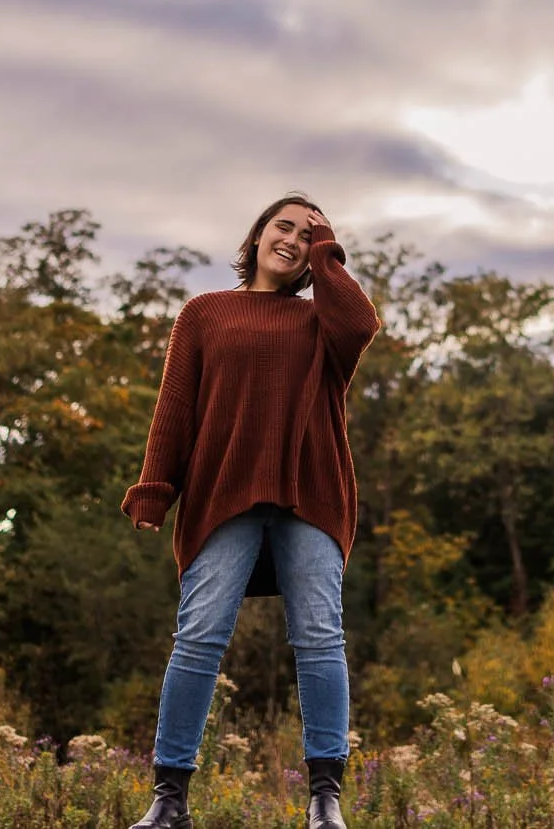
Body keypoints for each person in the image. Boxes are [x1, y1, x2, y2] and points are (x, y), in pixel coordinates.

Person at [120, 192, 381, 829]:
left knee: (319, 638)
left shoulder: (322, 322)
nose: (292, 240)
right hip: (223, 491)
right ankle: (169, 800)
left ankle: (325, 800)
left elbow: (361, 323)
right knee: (198, 638)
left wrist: (327, 255)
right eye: (283, 227)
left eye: (308, 236)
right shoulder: (204, 313)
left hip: (311, 493)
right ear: (258, 234)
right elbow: (175, 407)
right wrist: (155, 486)